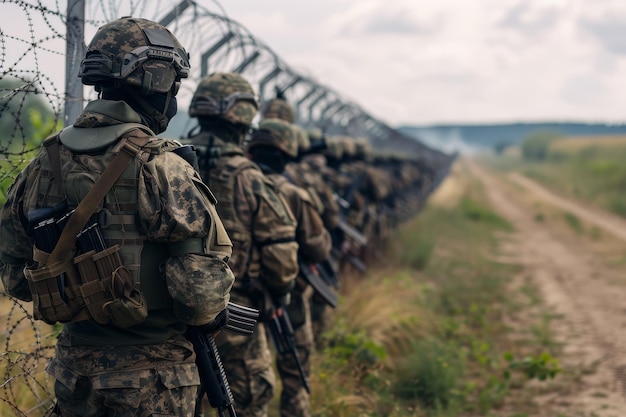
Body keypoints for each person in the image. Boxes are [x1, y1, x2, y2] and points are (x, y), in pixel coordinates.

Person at [0, 17, 236, 417]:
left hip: (75, 374)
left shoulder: (43, 162)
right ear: (154, 81)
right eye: (172, 85)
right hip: (154, 380)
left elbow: (16, 279)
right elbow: (200, 299)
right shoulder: (163, 167)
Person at [187, 72, 299, 417]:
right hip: (233, 321)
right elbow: (280, 258)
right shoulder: (250, 178)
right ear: (245, 117)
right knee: (248, 400)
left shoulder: (168, 165)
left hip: (173, 321)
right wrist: (279, 296)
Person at [247, 118, 332, 417]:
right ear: (287, 154)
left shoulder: (239, 184)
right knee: (295, 371)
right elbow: (318, 248)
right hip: (287, 293)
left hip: (241, 296)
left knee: (245, 378)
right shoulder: (295, 193)